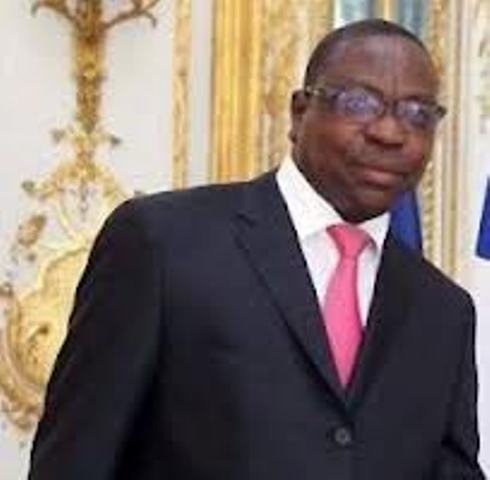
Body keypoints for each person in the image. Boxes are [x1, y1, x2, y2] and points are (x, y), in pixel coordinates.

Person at [29, 19, 486, 479]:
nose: (390, 132)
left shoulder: (443, 311)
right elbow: (75, 460)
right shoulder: (163, 244)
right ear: (299, 113)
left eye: (418, 114)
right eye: (359, 103)